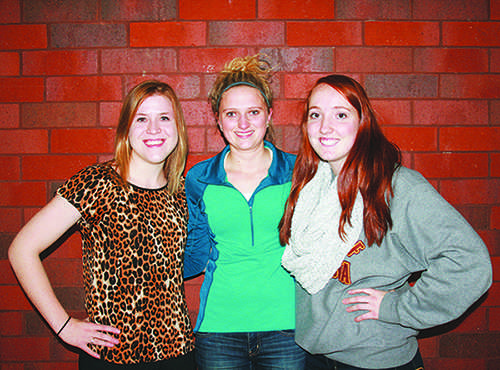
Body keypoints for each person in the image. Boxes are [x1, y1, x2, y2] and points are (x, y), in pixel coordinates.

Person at [279, 74, 492, 370]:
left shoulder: (397, 187)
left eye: (341, 114)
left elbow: (469, 264)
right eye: (316, 115)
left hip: (376, 359)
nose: (325, 127)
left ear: (362, 122)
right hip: (316, 355)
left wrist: (395, 306)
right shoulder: (310, 187)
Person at [8, 80, 195, 369]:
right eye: (142, 119)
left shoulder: (183, 192)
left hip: (178, 354)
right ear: (126, 129)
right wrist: (63, 325)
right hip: (112, 356)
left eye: (164, 118)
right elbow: (22, 249)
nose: (154, 129)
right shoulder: (97, 183)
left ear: (178, 129)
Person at [183, 54, 306, 369]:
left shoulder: (299, 172)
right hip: (219, 329)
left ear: (269, 115)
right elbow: (195, 251)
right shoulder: (199, 178)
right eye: (231, 114)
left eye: (253, 112)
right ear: (218, 120)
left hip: (286, 327)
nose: (243, 124)